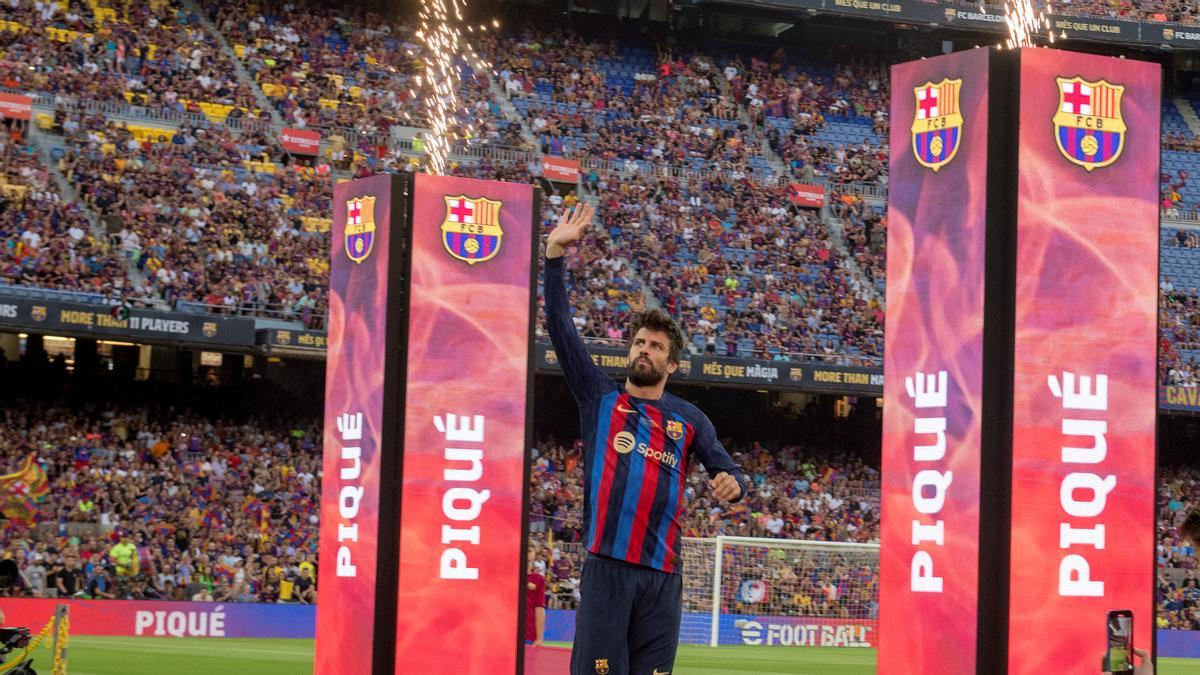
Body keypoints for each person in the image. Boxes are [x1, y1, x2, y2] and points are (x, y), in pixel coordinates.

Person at [544, 203, 748, 675]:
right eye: (639, 342)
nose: (644, 350)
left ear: (671, 364)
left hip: (662, 579)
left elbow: (730, 472)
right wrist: (554, 256)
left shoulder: (689, 418)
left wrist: (734, 485)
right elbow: (561, 330)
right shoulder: (599, 398)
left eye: (655, 346)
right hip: (606, 571)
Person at [525, 553, 546, 647]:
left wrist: (539, 638)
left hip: (528, 635)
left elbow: (539, 608)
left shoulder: (538, 579)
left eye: (530, 560)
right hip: (507, 634)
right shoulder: (510, 576)